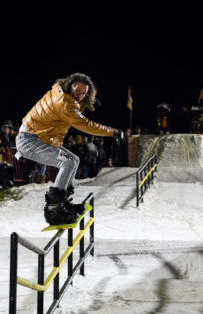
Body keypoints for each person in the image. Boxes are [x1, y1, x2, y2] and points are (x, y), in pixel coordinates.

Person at [16, 72, 124, 225]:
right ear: (70, 84)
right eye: (77, 90)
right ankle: (54, 210)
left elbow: (72, 109)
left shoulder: (59, 90)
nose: (79, 95)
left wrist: (84, 102)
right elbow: (85, 125)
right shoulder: (65, 103)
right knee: (67, 163)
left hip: (37, 138)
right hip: (30, 141)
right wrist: (113, 132)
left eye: (83, 93)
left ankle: (63, 203)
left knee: (74, 160)